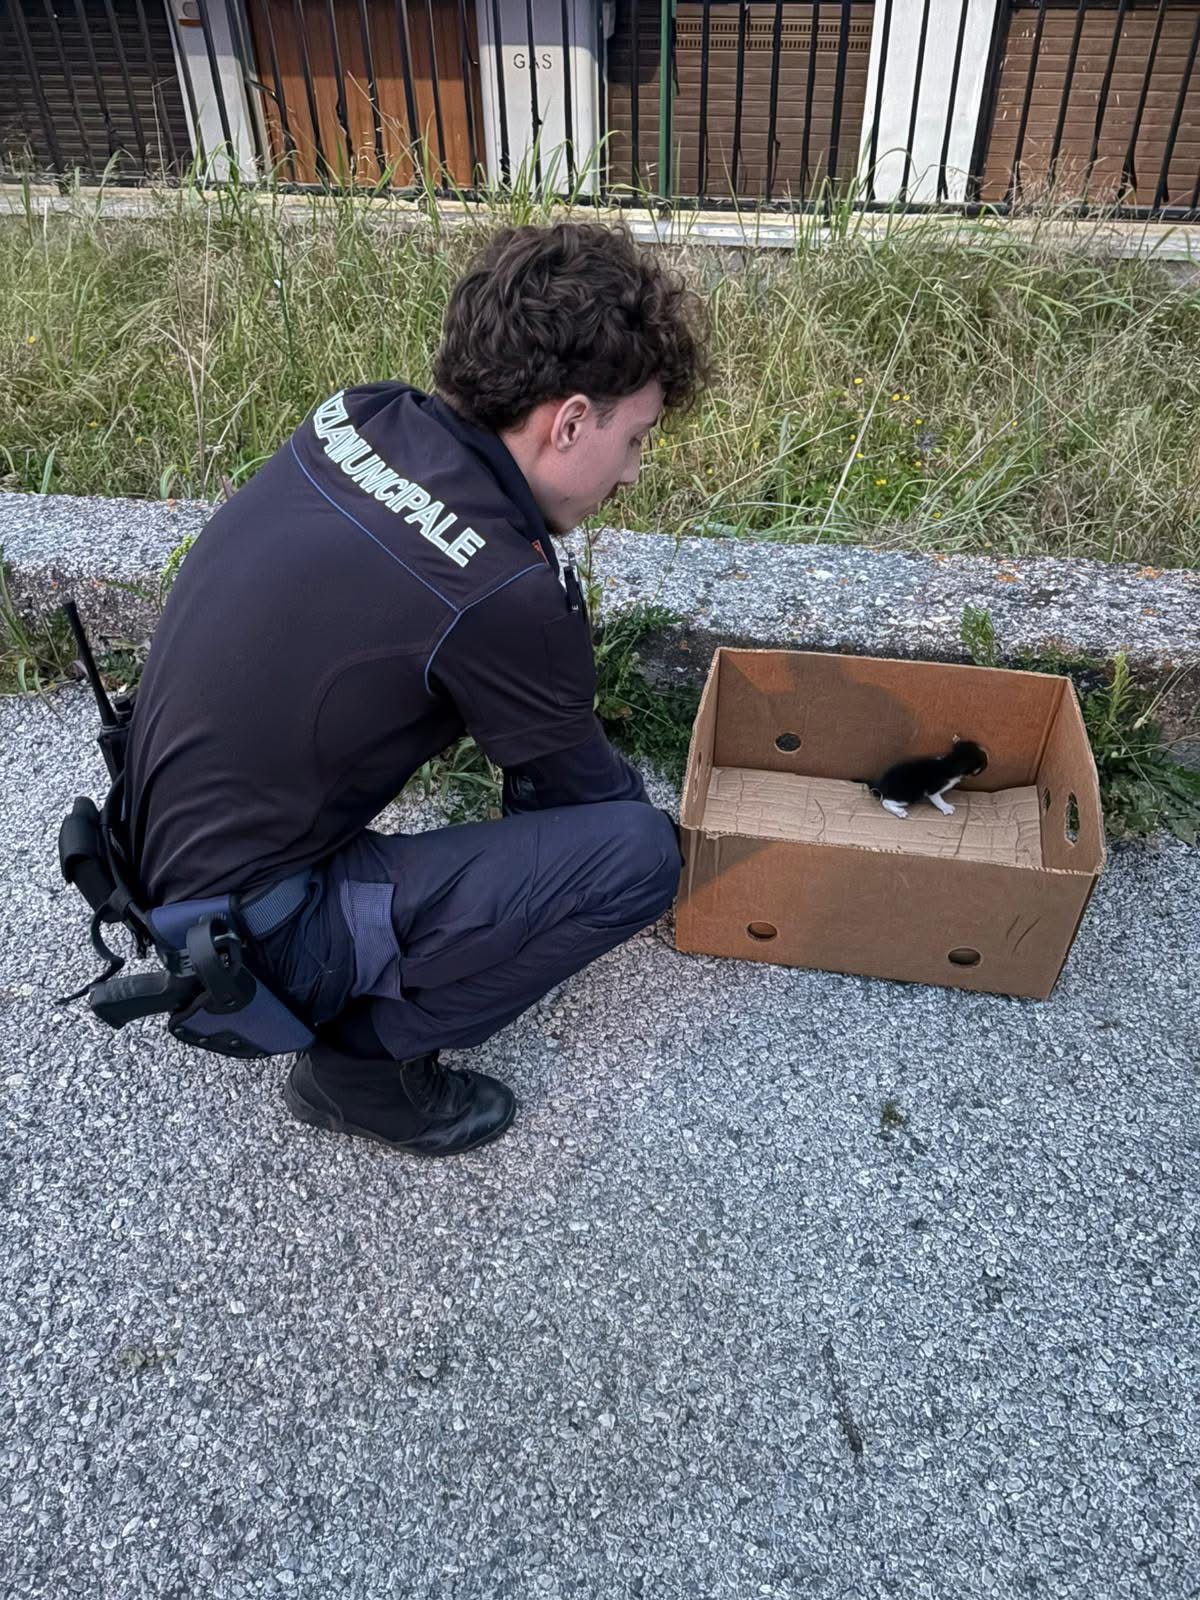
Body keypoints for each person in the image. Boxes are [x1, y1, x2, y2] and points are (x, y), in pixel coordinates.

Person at [123, 220, 710, 1157]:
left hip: (149, 844)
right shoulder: (506, 588)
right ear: (568, 422)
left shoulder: (358, 417)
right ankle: (362, 1071)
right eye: (634, 439)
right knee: (639, 858)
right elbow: (585, 807)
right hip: (253, 936)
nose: (632, 472)